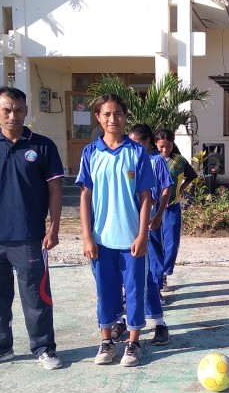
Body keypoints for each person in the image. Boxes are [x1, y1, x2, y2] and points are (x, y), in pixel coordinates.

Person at [0, 86, 64, 370]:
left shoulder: (42, 146)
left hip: (29, 238)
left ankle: (44, 348)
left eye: (18, 110)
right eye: (6, 109)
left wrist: (54, 228)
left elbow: (55, 189)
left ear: (26, 111)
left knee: (37, 297)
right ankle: (0, 348)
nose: (12, 115)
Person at [77, 94, 155, 368]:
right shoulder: (90, 153)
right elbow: (86, 196)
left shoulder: (137, 152)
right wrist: (87, 236)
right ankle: (107, 341)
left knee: (134, 290)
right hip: (101, 240)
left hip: (131, 239)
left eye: (118, 113)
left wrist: (143, 234)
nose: (113, 119)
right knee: (105, 291)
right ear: (98, 117)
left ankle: (133, 343)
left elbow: (146, 197)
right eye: (107, 114)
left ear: (125, 117)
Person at [128, 124, 173, 346]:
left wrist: (156, 217)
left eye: (138, 143)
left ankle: (158, 322)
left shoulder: (156, 162)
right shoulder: (128, 159)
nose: (133, 146)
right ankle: (120, 322)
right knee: (125, 277)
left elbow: (166, 189)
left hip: (148, 220)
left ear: (148, 142)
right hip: (127, 226)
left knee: (150, 266)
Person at [154, 129, 198, 293]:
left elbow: (192, 176)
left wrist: (180, 190)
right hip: (153, 208)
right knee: (156, 244)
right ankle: (157, 278)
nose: (165, 150)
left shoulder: (179, 161)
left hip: (172, 206)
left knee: (171, 243)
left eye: (169, 146)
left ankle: (164, 273)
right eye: (161, 146)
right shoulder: (151, 159)